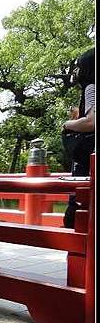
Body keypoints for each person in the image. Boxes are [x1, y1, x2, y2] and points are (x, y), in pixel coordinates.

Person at [62, 48, 95, 228]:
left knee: (77, 211)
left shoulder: (91, 87)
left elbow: (92, 122)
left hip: (88, 160)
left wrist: (68, 124)